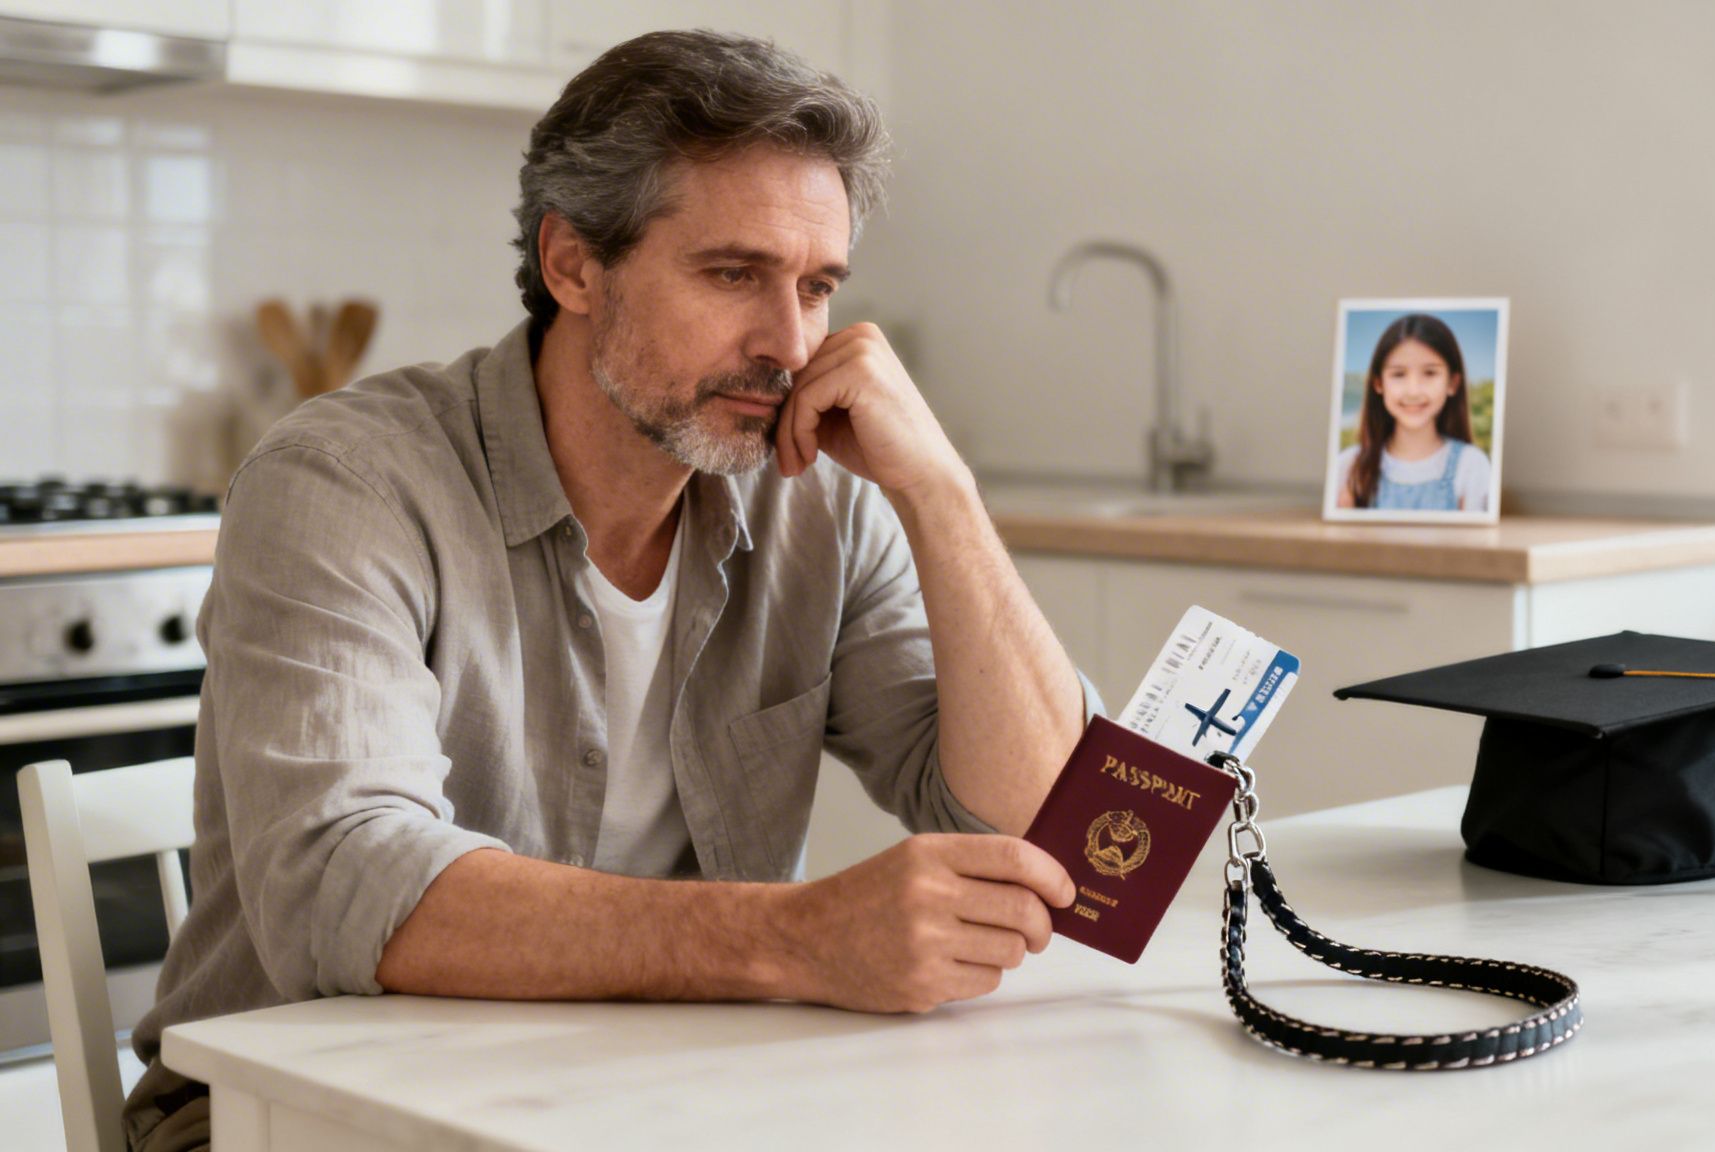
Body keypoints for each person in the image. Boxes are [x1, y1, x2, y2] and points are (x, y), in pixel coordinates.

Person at [123, 30, 1092, 1151]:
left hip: (646, 1096)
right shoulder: (345, 480)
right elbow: (348, 879)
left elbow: (1053, 832)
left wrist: (943, 493)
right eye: (733, 274)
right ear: (573, 265)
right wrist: (797, 936)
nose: (788, 344)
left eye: (817, 286)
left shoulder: (819, 498)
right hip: (282, 1113)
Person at [1332, 313, 1493, 512]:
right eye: (1398, 374)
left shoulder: (1471, 466)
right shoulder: (1348, 467)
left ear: (1452, 383)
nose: (1413, 391)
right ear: (1379, 383)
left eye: (1430, 373)